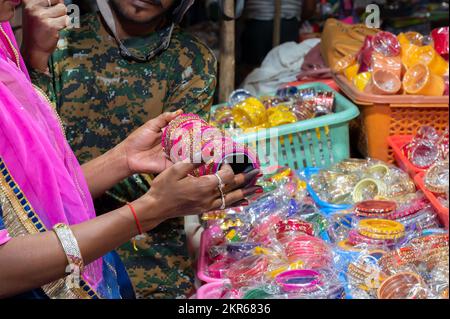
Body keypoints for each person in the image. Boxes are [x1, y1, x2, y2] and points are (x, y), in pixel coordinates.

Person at [0, 0, 261, 299]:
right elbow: (35, 175)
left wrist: (125, 162)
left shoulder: (191, 59)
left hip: (148, 263)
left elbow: (48, 180)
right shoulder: (59, 42)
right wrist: (36, 57)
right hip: (51, 261)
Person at [240, 0, 317, 68]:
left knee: (253, 70)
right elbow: (309, 7)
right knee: (285, 69)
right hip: (287, 24)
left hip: (257, 23)